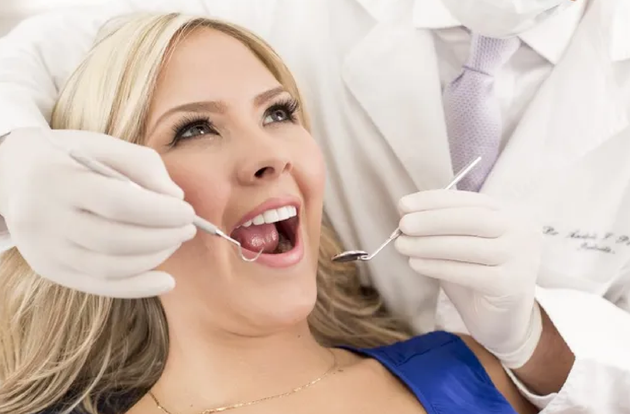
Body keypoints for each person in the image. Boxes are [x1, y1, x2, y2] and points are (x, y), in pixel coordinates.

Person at [0, 0, 628, 412]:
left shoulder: (474, 383)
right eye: (194, 129)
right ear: (109, 198)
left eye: (280, 113)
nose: (271, 156)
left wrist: (532, 338)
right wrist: (13, 152)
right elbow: (41, 51)